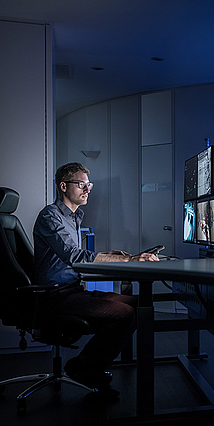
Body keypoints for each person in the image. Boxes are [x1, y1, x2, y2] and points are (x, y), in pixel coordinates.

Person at [33, 162, 159, 397]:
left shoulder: (74, 217)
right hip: (55, 296)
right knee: (124, 314)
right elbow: (74, 256)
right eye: (81, 184)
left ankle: (85, 364)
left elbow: (74, 257)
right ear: (63, 186)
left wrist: (111, 256)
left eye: (88, 185)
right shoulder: (50, 216)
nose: (87, 189)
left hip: (71, 290)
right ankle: (88, 369)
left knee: (136, 303)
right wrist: (129, 260)